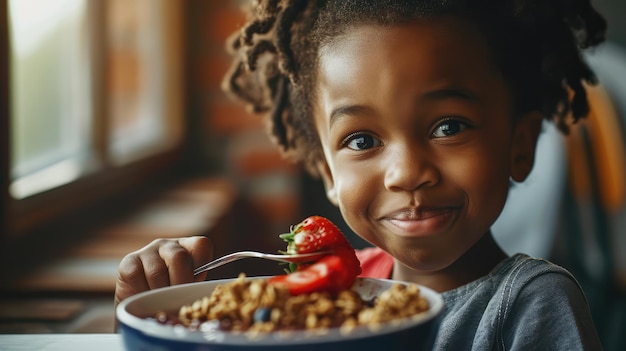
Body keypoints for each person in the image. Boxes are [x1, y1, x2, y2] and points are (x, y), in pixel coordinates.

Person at [115, 0, 607, 348]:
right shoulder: (338, 292)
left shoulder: (532, 305)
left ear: (518, 147)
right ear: (327, 172)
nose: (406, 173)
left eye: (448, 126)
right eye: (362, 140)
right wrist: (157, 319)